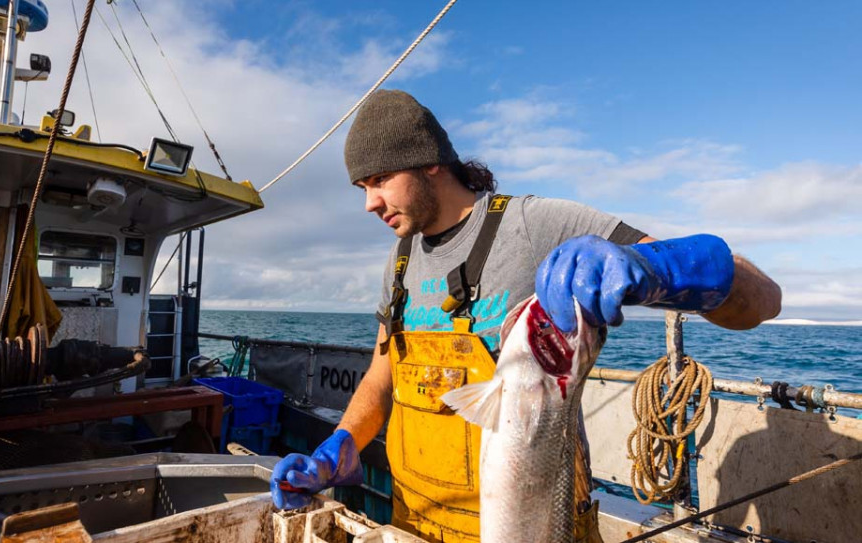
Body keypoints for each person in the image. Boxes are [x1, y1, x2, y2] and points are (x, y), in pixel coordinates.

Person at [270, 90, 782, 542]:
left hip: (537, 520)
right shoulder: (401, 259)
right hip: (416, 520)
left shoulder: (535, 225)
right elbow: (384, 373)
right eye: (361, 187)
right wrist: (341, 443)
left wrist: (655, 266)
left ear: (429, 162)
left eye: (379, 179)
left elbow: (763, 301)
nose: (369, 203)